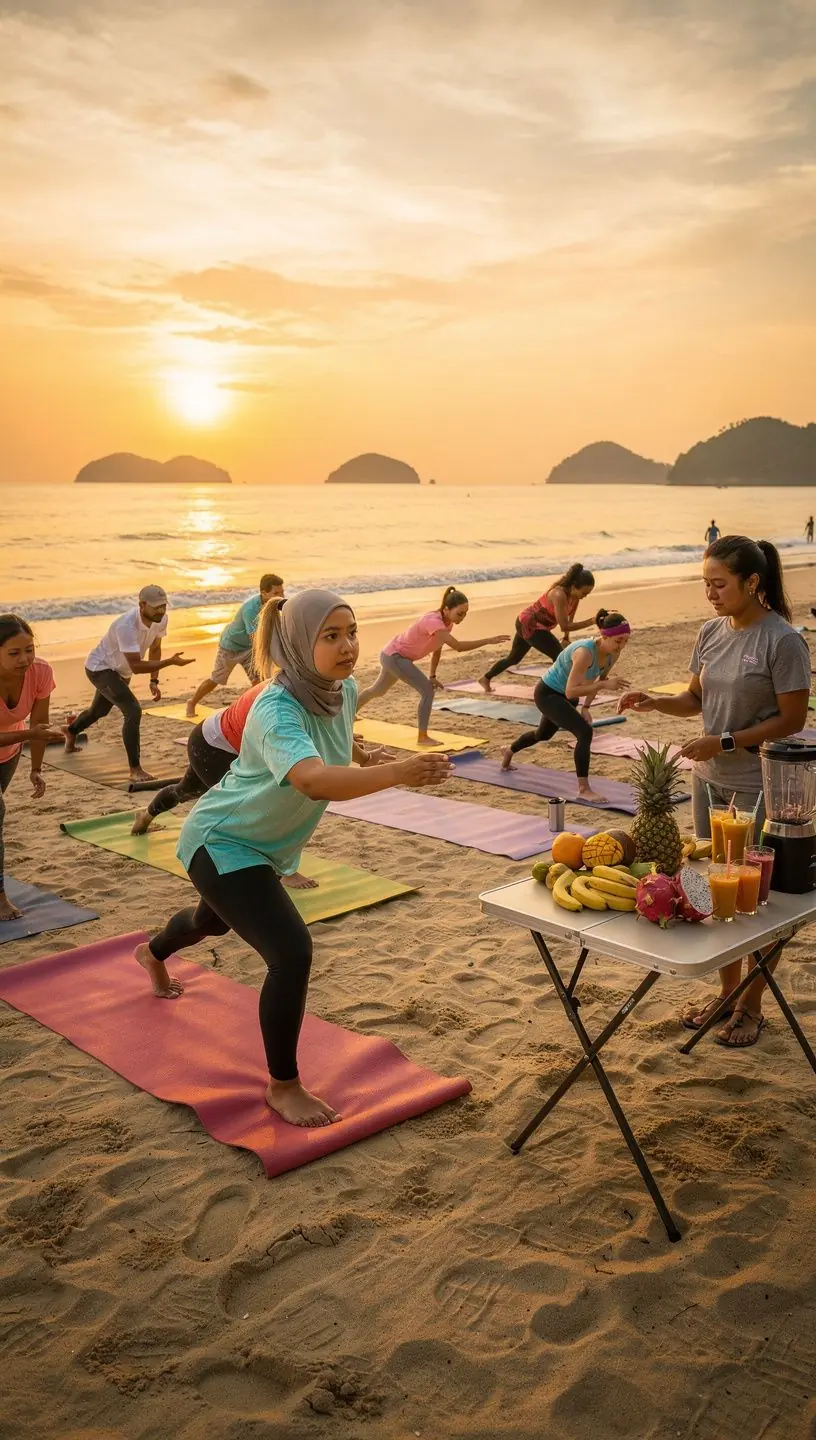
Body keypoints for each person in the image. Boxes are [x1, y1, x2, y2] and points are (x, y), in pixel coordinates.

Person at [134, 588, 451, 1128]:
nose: (348, 646)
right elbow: (309, 779)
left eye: (351, 632)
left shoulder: (340, 687)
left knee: (210, 923)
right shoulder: (274, 708)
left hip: (263, 847)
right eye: (331, 636)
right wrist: (394, 773)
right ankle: (283, 1085)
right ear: (300, 644)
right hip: (221, 840)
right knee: (291, 951)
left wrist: (362, 753)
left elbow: (338, 727)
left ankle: (152, 952)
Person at [618, 535, 810, 1048]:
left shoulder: (782, 640)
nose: (710, 593)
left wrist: (724, 739)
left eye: (719, 584)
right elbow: (693, 699)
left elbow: (792, 718)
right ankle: (728, 991)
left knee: (760, 902)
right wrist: (656, 703)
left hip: (760, 787)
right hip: (709, 785)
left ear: (752, 582)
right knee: (714, 889)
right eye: (705, 583)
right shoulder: (710, 632)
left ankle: (752, 1005)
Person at [64, 585, 193, 782]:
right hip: (100, 668)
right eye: (156, 607)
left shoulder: (161, 619)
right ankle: (135, 769)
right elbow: (137, 666)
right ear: (142, 605)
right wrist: (170, 662)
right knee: (133, 711)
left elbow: (156, 647)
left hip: (120, 670)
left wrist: (154, 680)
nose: (161, 611)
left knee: (99, 711)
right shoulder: (126, 626)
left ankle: (71, 731)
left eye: (164, 606)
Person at [500, 610, 631, 801]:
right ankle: (584, 789)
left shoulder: (612, 654)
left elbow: (598, 680)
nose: (621, 646)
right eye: (618, 641)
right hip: (548, 693)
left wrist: (586, 707)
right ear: (604, 636)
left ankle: (509, 750)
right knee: (585, 732)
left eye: (626, 641)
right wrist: (603, 685)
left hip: (567, 697)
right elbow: (572, 690)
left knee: (542, 734)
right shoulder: (585, 652)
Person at [355, 587, 509, 746]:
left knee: (378, 690)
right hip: (394, 657)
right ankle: (422, 737)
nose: (462, 617)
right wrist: (488, 640)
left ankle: (349, 713)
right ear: (446, 609)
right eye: (460, 613)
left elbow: (437, 649)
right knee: (426, 692)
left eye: (465, 614)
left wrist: (432, 676)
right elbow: (458, 646)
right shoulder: (433, 621)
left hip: (393, 656)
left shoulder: (447, 623)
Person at [0, 616, 65, 920]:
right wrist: (30, 735)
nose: (24, 659)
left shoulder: (40, 672)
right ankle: (0, 896)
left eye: (29, 649)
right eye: (14, 653)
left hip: (9, 753)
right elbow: (34, 731)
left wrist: (35, 768)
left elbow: (40, 724)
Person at [480, 564, 596, 691]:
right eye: (584, 592)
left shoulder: (575, 596)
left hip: (531, 624)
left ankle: (485, 678)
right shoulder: (559, 594)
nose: (585, 596)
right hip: (529, 624)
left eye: (588, 593)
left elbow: (570, 617)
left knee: (514, 658)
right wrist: (592, 621)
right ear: (574, 586)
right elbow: (564, 625)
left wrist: (566, 638)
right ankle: (562, 689)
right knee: (560, 656)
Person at [186, 574, 284, 716]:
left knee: (258, 680)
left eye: (282, 592)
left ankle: (254, 711)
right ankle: (192, 702)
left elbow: (278, 629)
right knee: (215, 680)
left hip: (248, 648)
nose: (281, 596)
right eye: (276, 593)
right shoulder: (251, 609)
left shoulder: (274, 605)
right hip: (230, 647)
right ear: (263, 593)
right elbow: (257, 639)